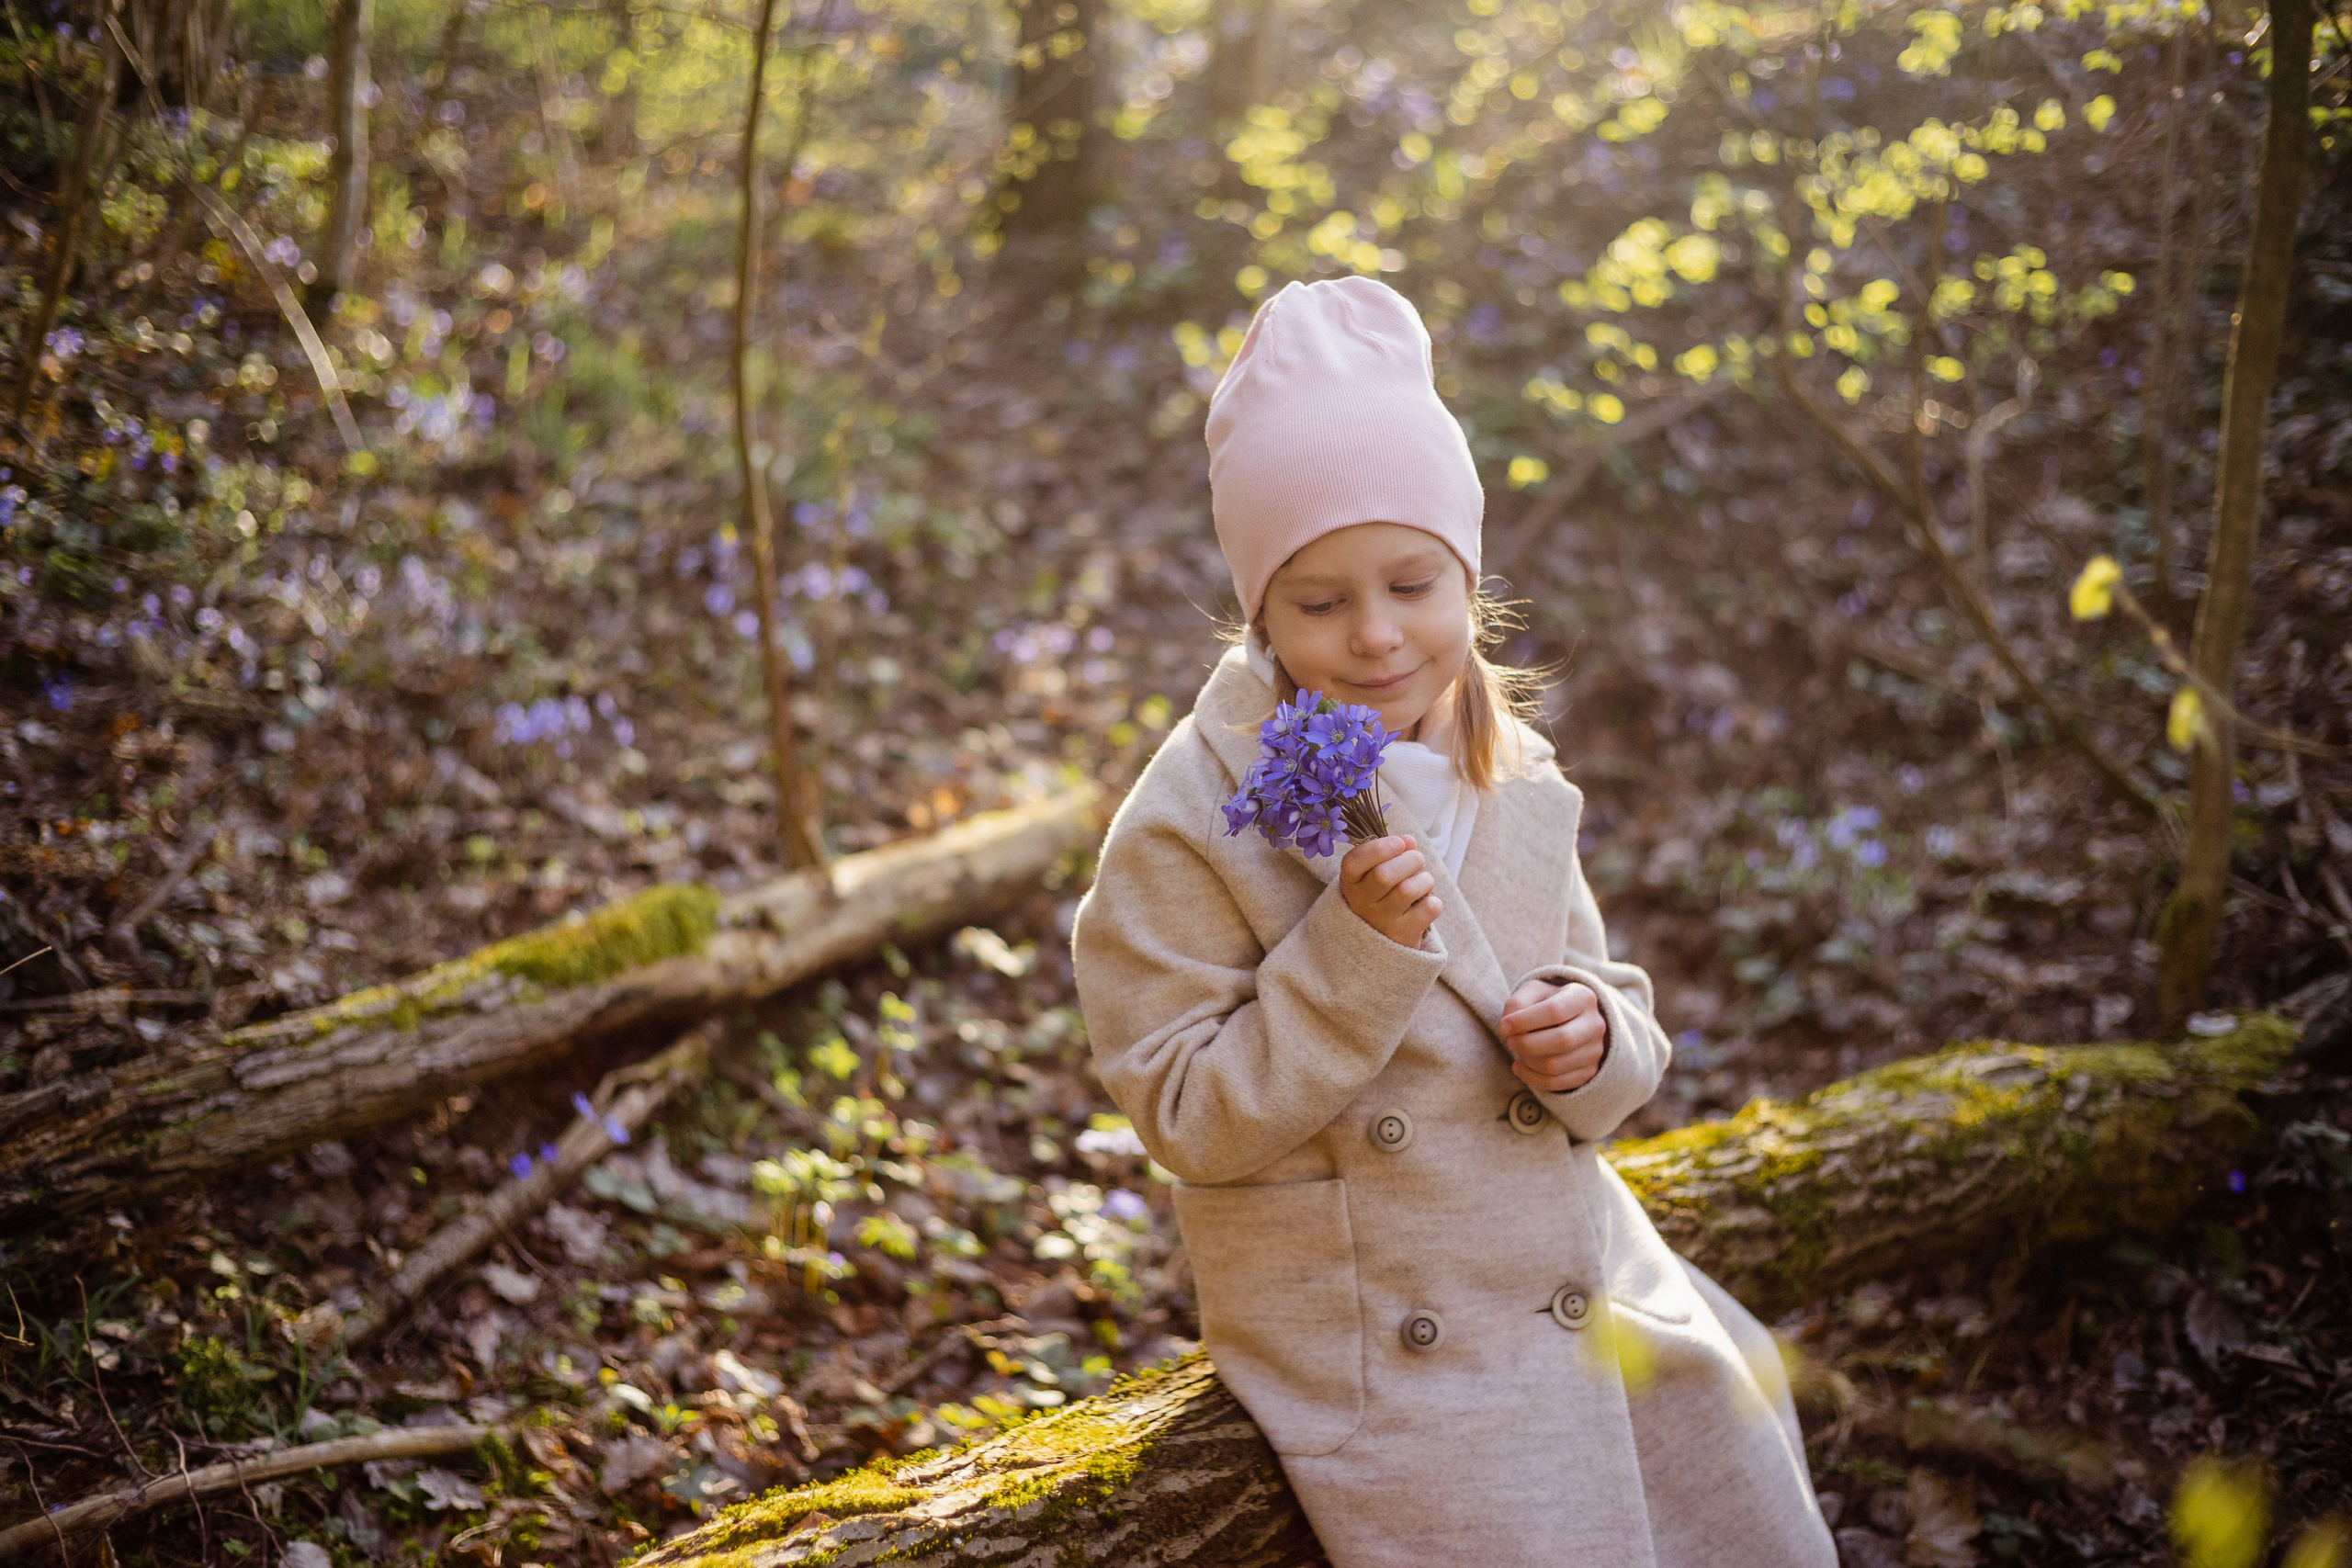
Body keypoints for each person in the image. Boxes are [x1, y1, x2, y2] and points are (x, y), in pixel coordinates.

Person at [1069, 276, 1838, 1567]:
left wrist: (1589, 1039)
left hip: (1560, 1259)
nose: (1376, 637)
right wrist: (1350, 955)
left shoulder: (1507, 763)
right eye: (1321, 603)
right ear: (1261, 610)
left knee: (1735, 1446)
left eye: (1413, 583)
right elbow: (1185, 1114)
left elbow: (1613, 996)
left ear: (1468, 580)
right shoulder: (1193, 815)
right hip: (1377, 1320)